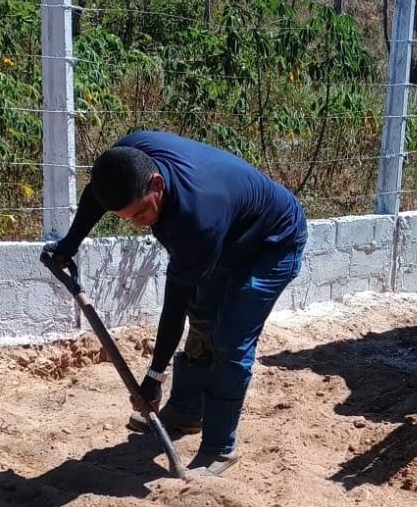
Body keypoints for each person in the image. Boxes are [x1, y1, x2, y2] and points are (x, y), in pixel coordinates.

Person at [43, 131, 307, 477]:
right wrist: (69, 245)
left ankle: (218, 449)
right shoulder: (128, 156)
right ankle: (185, 411)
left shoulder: (196, 218)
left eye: (139, 213)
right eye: (125, 218)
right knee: (202, 318)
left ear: (156, 184)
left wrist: (153, 376)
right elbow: (97, 195)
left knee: (229, 340)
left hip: (272, 243)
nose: (136, 224)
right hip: (228, 234)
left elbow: (174, 307)